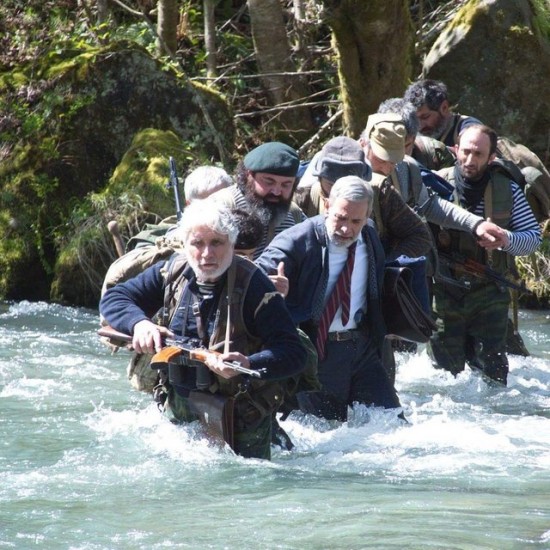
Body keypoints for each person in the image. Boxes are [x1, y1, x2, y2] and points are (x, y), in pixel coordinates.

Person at [100, 199, 306, 460]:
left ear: (231, 243)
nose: (207, 254)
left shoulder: (256, 286)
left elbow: (293, 353)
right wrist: (139, 323)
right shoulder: (171, 271)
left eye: (217, 243)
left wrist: (248, 364)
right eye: (197, 243)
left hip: (240, 415)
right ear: (185, 244)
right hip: (178, 408)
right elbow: (114, 298)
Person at [257, 176, 403, 421]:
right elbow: (249, 279)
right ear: (326, 206)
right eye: (340, 218)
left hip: (362, 350)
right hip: (316, 353)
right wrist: (269, 288)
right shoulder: (297, 241)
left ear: (368, 216)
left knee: (393, 425)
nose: (347, 229)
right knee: (325, 437)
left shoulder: (369, 237)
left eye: (356, 220)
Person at [429, 124, 541, 385]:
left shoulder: (507, 190)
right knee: (443, 379)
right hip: (444, 291)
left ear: (491, 158)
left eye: (479, 154)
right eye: (465, 151)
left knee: (493, 377)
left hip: (490, 292)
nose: (470, 159)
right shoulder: (434, 184)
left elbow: (532, 239)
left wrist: (505, 240)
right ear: (455, 150)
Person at [211, 141, 306, 259]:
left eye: (286, 185)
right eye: (269, 182)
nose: (276, 191)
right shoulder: (220, 208)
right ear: (248, 176)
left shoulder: (294, 214)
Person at [403, 79, 481, 147]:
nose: (420, 126)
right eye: (414, 118)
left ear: (444, 108)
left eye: (425, 117)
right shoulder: (410, 132)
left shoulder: (468, 129)